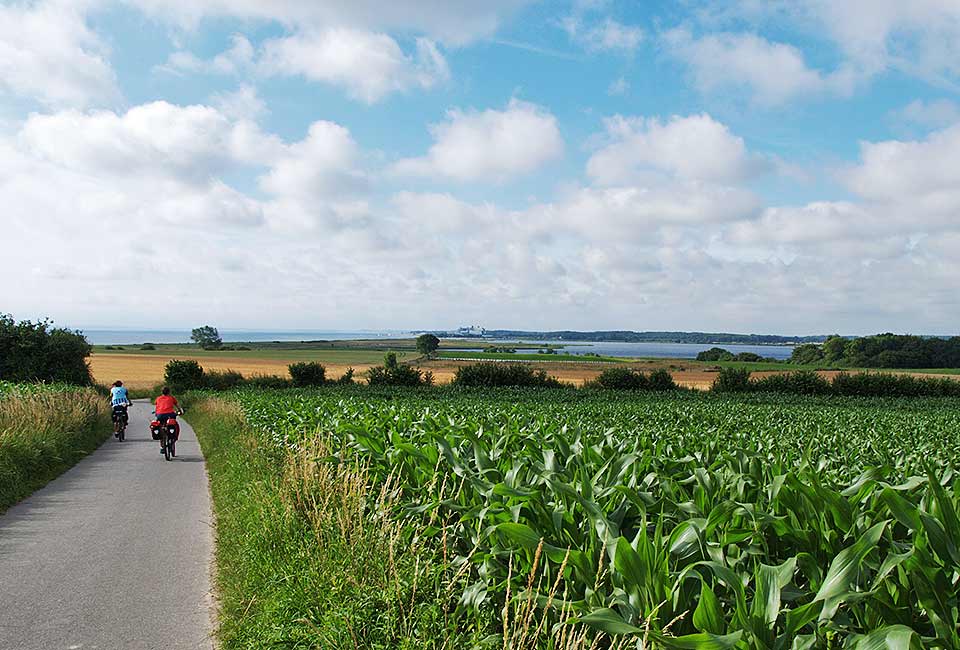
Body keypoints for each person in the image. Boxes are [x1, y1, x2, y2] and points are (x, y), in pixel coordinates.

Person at [153, 387, 183, 453]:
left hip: (160, 415)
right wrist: (180, 411)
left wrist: (156, 412)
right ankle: (174, 438)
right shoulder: (171, 398)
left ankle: (162, 446)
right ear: (169, 392)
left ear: (162, 392)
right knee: (175, 425)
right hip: (170, 414)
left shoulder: (158, 398)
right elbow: (177, 405)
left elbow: (157, 405)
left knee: (160, 427)